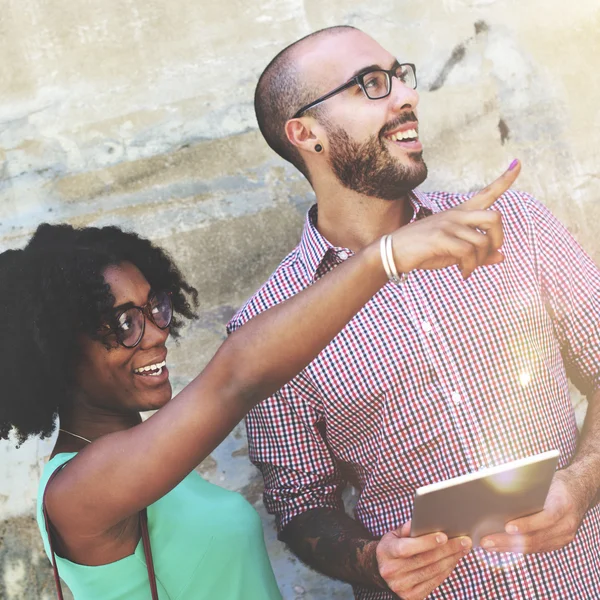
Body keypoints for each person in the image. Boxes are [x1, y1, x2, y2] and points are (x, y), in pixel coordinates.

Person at [227, 25, 600, 600]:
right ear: (306, 133)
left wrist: (580, 485)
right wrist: (372, 562)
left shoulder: (517, 223)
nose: (407, 96)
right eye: (371, 85)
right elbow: (300, 504)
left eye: (401, 76)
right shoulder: (270, 326)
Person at [0, 186, 508, 600]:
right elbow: (237, 379)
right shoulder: (76, 490)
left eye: (154, 307)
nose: (156, 333)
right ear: (59, 354)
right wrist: (387, 257)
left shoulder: (140, 460)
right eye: (123, 322)